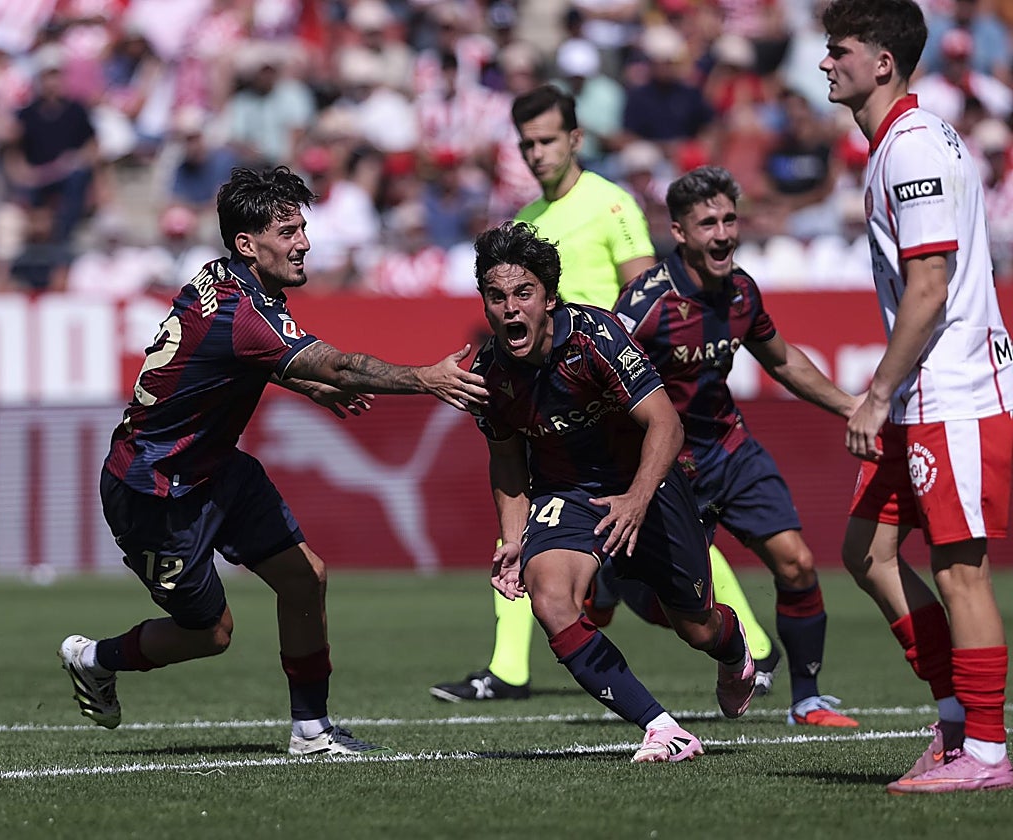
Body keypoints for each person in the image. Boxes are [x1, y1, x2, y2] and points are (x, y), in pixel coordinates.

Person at [59, 166, 488, 757]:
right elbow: (334, 363)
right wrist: (425, 377)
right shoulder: (247, 313)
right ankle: (94, 658)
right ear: (246, 243)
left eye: (302, 227)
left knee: (305, 576)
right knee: (210, 634)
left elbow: (234, 360)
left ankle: (311, 731)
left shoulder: (224, 282)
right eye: (288, 231)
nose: (304, 242)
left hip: (215, 469)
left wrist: (307, 387)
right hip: (154, 491)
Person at [431, 83, 780, 703]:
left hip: (610, 384)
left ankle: (748, 643)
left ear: (575, 139)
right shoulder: (525, 224)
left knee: (674, 529)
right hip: (549, 394)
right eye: (526, 143)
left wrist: (603, 353)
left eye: (546, 140)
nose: (536, 153)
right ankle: (509, 669)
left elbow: (644, 293)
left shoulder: (611, 204)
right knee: (527, 533)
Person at [468, 220, 757, 763]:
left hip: (647, 483)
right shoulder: (490, 372)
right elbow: (506, 461)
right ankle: (663, 729)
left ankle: (732, 642)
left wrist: (636, 499)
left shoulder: (595, 336)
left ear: (548, 298)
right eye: (496, 296)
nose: (510, 308)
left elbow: (666, 426)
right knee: (551, 600)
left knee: (695, 628)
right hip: (566, 493)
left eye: (523, 293)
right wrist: (511, 538)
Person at [820, 0, 1013, 793]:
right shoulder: (900, 143)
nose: (826, 63)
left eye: (840, 50)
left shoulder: (911, 149)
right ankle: (956, 722)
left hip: (954, 393)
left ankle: (988, 755)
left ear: (883, 63)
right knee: (865, 551)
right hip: (927, 398)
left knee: (964, 572)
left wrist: (876, 392)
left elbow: (929, 286)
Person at [613, 166, 860, 729]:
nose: (723, 234)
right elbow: (608, 376)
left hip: (730, 449)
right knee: (683, 614)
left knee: (796, 562)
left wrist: (848, 405)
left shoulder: (743, 290)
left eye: (729, 219)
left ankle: (808, 700)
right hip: (668, 467)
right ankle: (619, 584)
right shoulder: (645, 304)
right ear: (679, 232)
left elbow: (783, 360)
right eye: (708, 224)